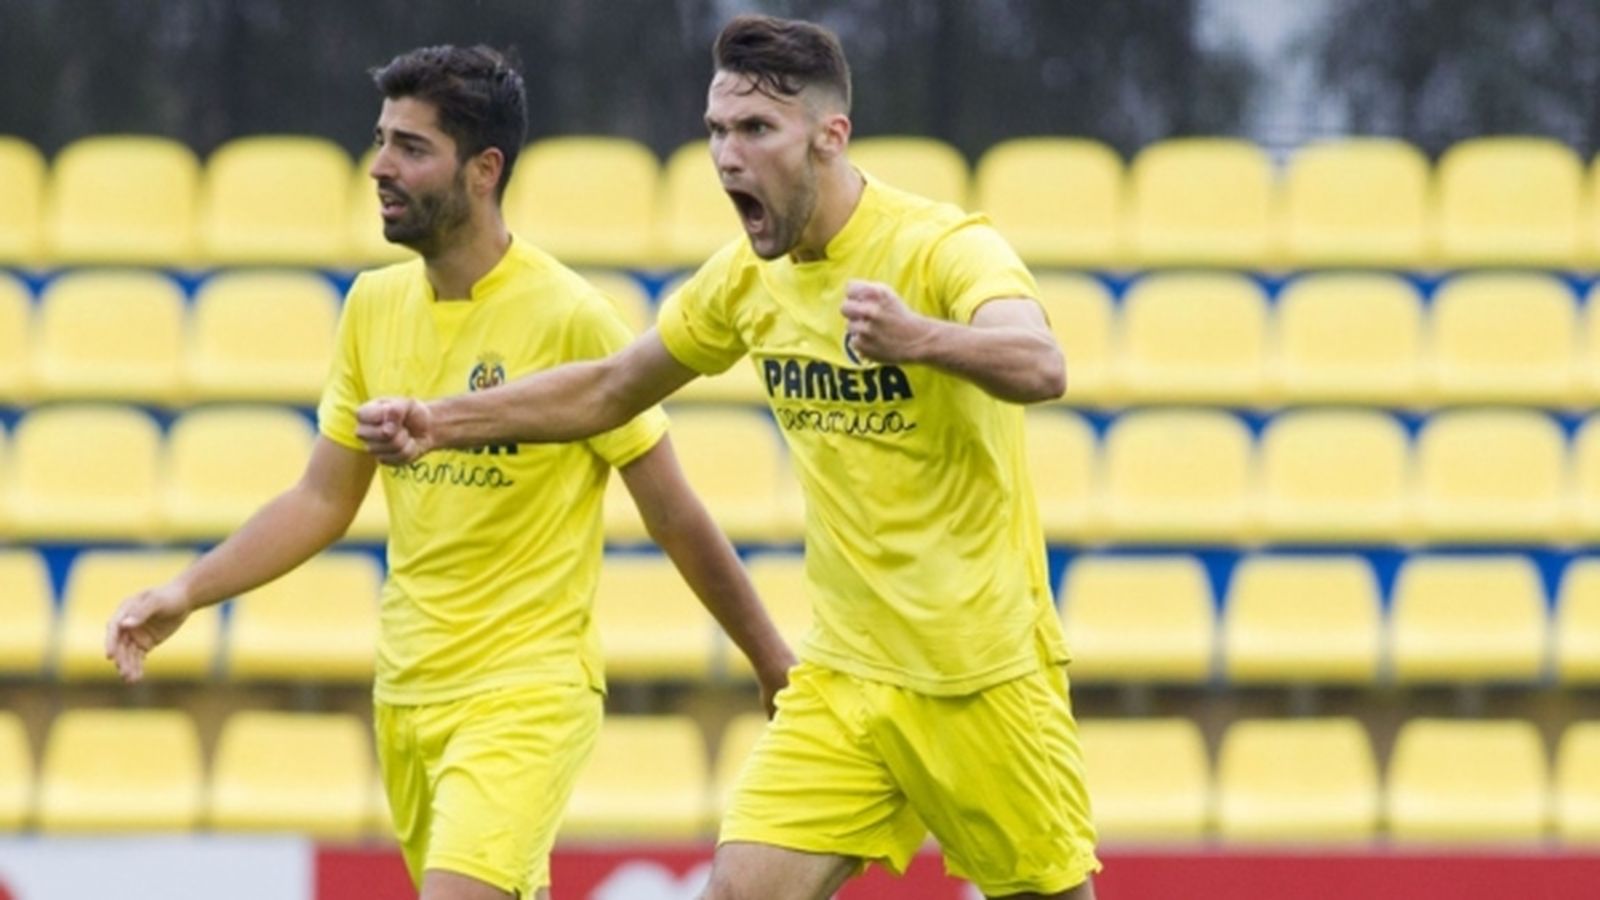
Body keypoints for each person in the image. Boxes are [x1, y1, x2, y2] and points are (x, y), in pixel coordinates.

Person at [356, 16, 1099, 900]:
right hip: (847, 681)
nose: (726, 155)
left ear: (831, 136)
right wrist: (439, 421)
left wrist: (920, 337)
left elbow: (1040, 364)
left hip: (983, 677)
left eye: (755, 130)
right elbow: (607, 389)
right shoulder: (748, 278)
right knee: (738, 889)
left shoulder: (940, 247)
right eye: (716, 130)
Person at [104, 44, 795, 900]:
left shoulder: (571, 316)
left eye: (411, 148)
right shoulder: (371, 307)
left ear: (483, 169)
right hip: (407, 694)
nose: (380, 168)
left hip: (528, 691)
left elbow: (675, 516)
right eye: (381, 140)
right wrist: (186, 592)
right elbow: (323, 498)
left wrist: (772, 664)